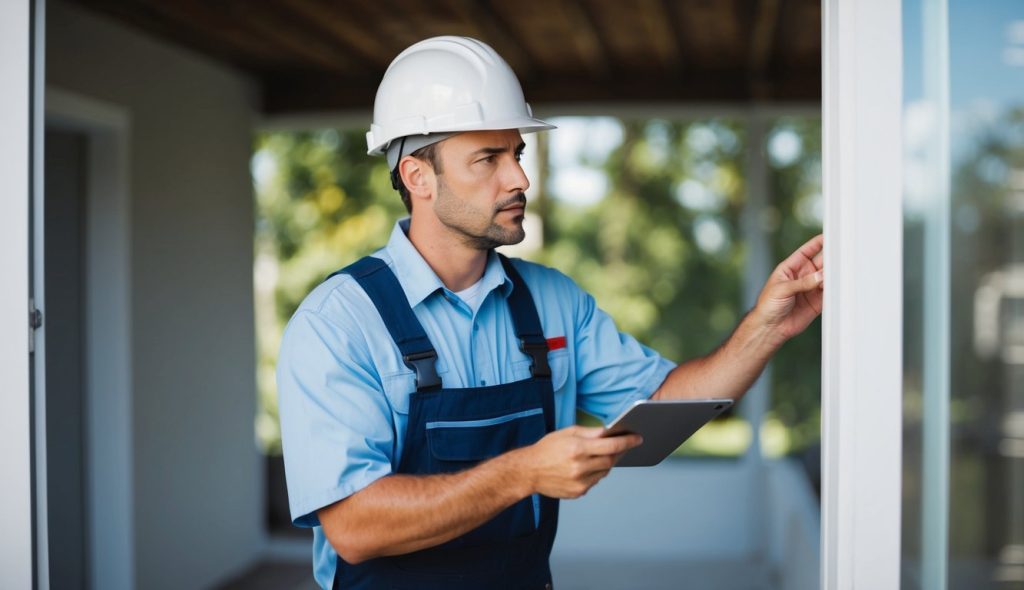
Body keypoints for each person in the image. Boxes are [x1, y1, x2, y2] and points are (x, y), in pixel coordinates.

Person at [277, 36, 825, 590]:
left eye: (514, 153)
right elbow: (353, 525)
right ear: (418, 176)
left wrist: (768, 325)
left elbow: (661, 407)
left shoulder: (551, 301)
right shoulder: (338, 323)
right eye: (486, 159)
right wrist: (522, 472)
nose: (519, 179)